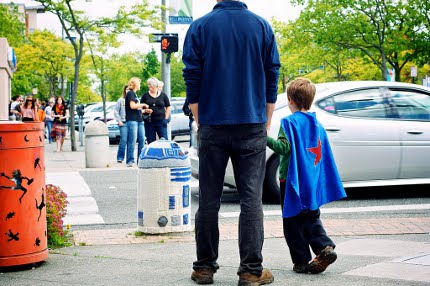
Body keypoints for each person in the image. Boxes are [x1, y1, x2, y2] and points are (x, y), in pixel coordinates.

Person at [182, 1, 280, 285]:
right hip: (252, 123)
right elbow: (272, 73)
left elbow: (192, 74)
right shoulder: (261, 25)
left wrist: (201, 119)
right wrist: (266, 120)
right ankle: (251, 271)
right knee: (251, 199)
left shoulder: (200, 26)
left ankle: (204, 268)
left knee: (209, 198)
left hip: (212, 123)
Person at [266, 78, 347, 274]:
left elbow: (283, 148)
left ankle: (301, 261)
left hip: (291, 181)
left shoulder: (288, 122)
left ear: (290, 100)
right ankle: (324, 247)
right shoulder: (316, 123)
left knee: (292, 221)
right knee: (311, 216)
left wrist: (263, 137)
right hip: (310, 181)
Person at [125, 77, 149, 167]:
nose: (140, 85)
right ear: (135, 84)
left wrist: (145, 111)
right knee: (132, 140)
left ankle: (140, 159)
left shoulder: (134, 94)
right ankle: (130, 160)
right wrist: (143, 104)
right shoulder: (130, 93)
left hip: (139, 120)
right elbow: (132, 106)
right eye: (139, 83)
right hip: (132, 120)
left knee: (142, 140)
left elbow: (136, 109)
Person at [140, 77, 171, 145]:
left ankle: (165, 155)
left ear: (156, 86)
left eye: (151, 86)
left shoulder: (163, 95)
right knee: (151, 141)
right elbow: (140, 108)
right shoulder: (145, 96)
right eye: (149, 86)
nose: (150, 88)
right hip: (149, 121)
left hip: (161, 121)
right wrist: (145, 110)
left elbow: (168, 106)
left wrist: (166, 118)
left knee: (164, 140)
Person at [114, 84, 129, 163]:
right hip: (123, 123)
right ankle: (120, 157)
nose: (128, 91)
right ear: (124, 90)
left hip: (132, 122)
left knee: (131, 141)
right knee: (123, 140)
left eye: (130, 90)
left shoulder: (134, 100)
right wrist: (119, 121)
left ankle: (130, 159)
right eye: (127, 90)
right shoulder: (121, 100)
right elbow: (116, 111)